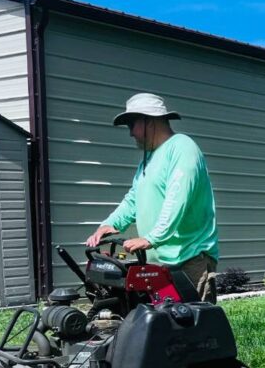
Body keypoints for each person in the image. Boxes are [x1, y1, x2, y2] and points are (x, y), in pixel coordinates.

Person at [85, 93, 219, 303]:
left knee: (193, 320)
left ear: (149, 120)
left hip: (189, 259)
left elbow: (178, 198)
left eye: (132, 125)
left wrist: (152, 238)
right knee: (160, 321)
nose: (131, 133)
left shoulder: (182, 147)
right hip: (158, 263)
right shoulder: (148, 161)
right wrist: (110, 223)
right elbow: (133, 199)